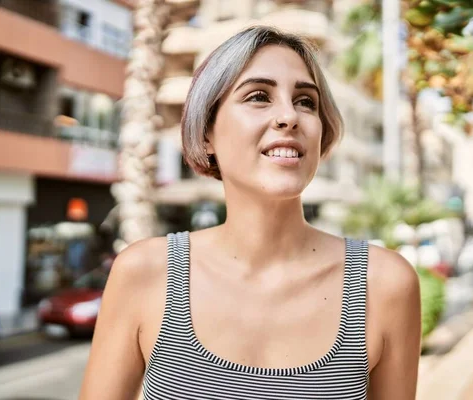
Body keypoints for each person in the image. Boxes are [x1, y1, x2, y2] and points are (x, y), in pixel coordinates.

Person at [79, 26, 421, 400]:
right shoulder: (143, 274)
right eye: (259, 96)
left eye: (306, 101)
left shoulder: (385, 284)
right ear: (207, 131)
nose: (289, 116)